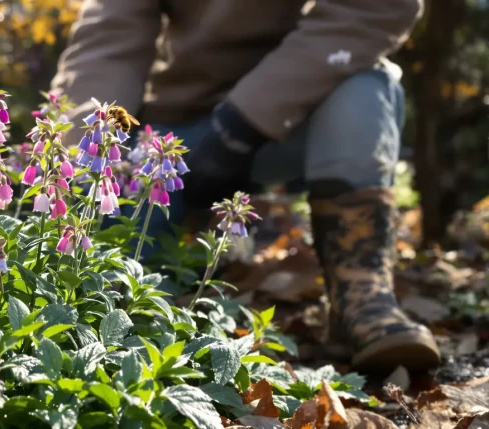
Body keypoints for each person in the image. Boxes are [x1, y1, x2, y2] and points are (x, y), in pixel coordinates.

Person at [49, 0, 439, 371]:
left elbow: (375, 8)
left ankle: (361, 298)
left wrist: (242, 124)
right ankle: (128, 316)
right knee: (106, 282)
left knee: (367, 90)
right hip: (179, 130)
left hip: (300, 104)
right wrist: (95, 150)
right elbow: (108, 39)